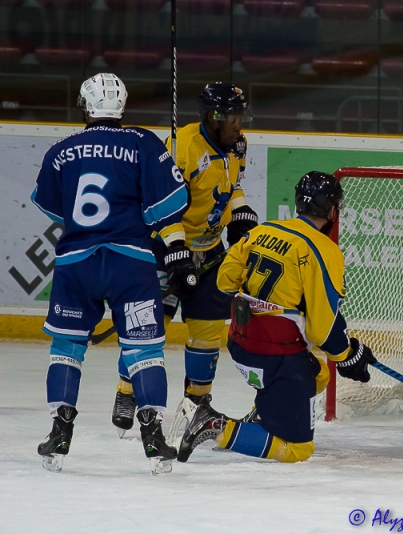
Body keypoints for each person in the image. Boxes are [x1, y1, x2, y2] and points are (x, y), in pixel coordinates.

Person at [31, 73, 188, 473]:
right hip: (130, 264)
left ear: (85, 105)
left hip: (75, 265)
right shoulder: (142, 142)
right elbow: (171, 203)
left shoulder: (60, 150)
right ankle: (153, 435)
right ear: (122, 105)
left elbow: (50, 205)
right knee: (145, 350)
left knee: (66, 348)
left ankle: (60, 431)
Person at [175, 171, 376, 463]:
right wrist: (347, 353)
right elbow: (323, 330)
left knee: (318, 373)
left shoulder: (261, 231)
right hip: (275, 357)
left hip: (242, 348)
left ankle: (266, 412)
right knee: (299, 449)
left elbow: (224, 283)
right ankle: (213, 424)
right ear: (332, 210)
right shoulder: (324, 250)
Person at [110, 82, 260, 435]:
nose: (240, 126)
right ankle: (126, 390)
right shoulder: (182, 149)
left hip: (210, 252)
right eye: (233, 119)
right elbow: (162, 204)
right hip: (165, 248)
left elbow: (231, 185)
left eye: (242, 117)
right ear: (213, 117)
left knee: (207, 330)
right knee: (148, 327)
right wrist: (176, 251)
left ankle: (197, 403)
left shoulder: (236, 144)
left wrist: (241, 210)